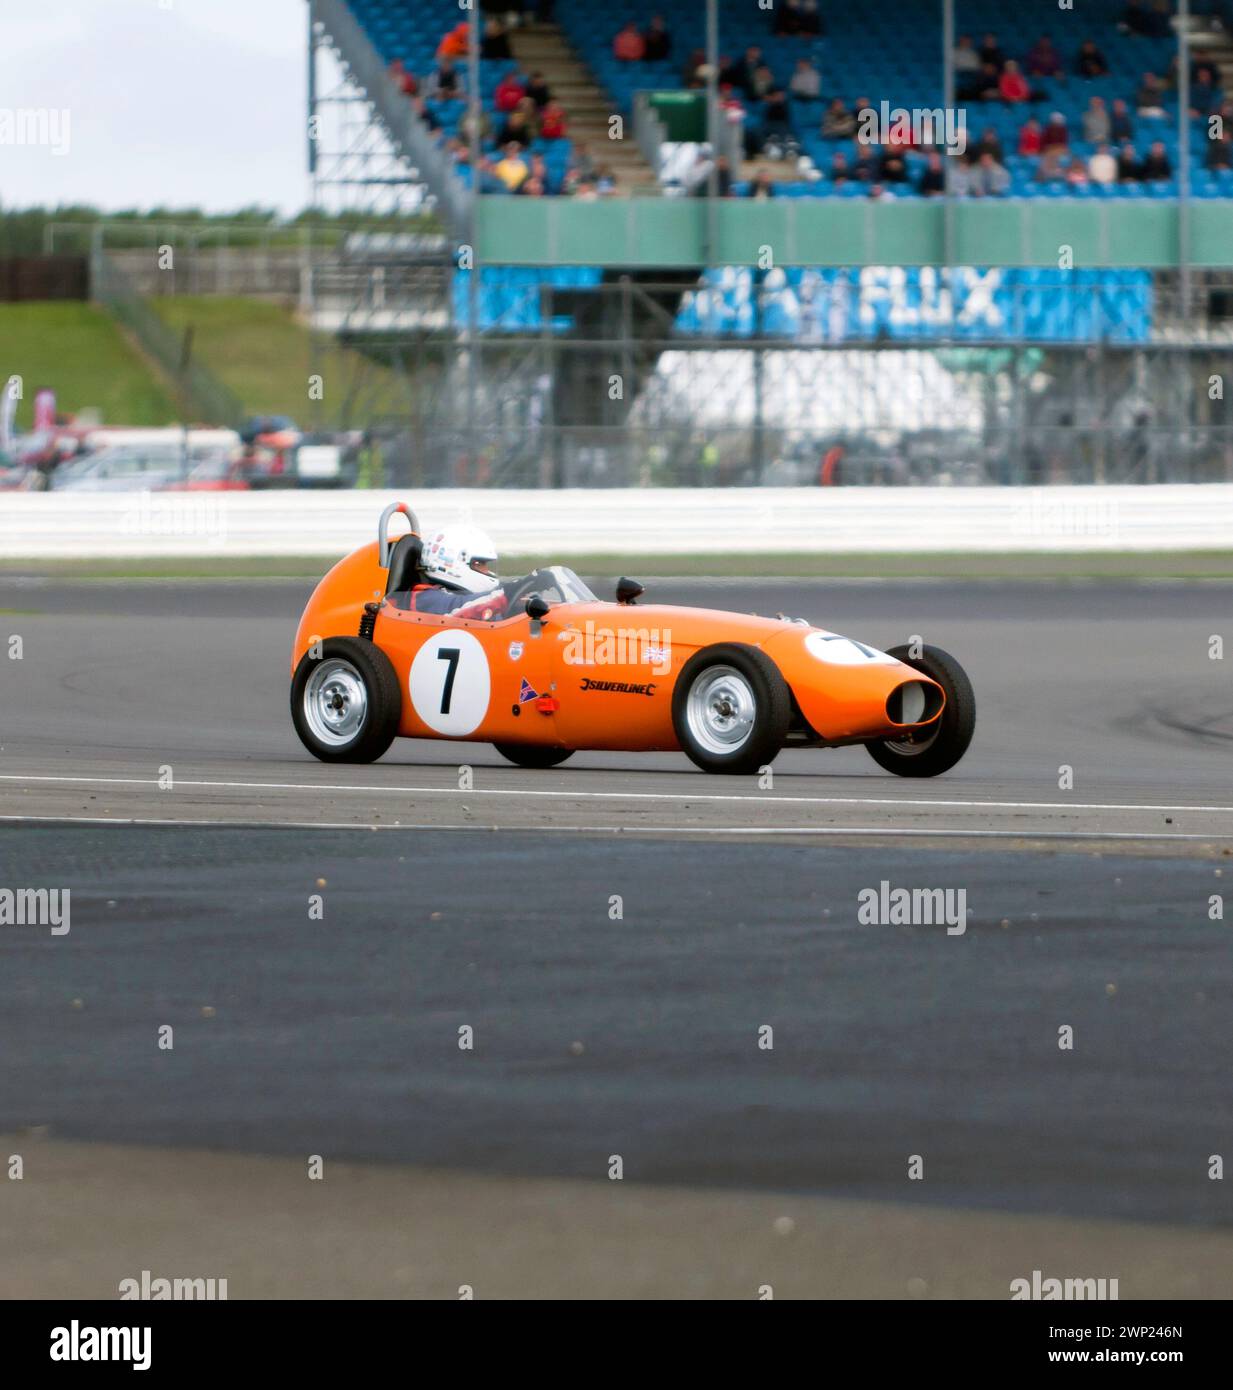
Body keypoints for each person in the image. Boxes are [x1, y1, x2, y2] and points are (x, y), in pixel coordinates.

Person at [398, 527, 508, 619]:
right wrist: (508, 593)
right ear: (450, 563)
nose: (486, 570)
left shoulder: (461, 596)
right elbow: (459, 606)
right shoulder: (426, 599)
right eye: (479, 564)